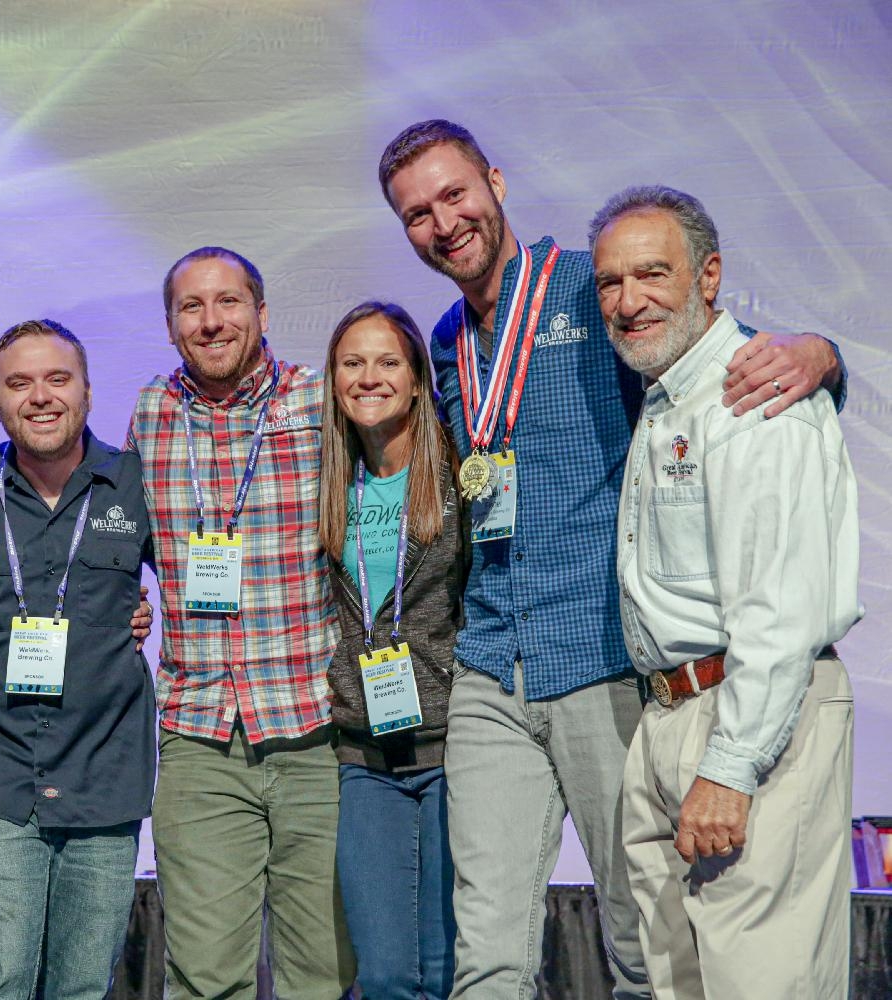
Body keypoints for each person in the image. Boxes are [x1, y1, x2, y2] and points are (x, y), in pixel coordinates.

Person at [377, 120, 846, 999]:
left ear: (497, 182)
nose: (443, 223)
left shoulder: (588, 291)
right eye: (416, 213)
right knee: (485, 946)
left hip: (598, 658)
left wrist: (822, 356)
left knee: (643, 942)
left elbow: (708, 355)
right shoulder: (444, 340)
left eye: (454, 195)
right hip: (491, 664)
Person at [589, 185, 860, 999]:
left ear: (709, 276)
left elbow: (779, 610)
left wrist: (732, 767)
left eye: (651, 275)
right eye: (609, 282)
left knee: (762, 983)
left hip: (749, 716)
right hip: (671, 713)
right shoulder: (666, 390)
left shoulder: (758, 398)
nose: (629, 301)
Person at [129, 248, 355, 999]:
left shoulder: (322, 402)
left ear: (261, 313)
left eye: (229, 302)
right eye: (191, 307)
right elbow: (111, 535)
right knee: (202, 978)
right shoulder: (150, 414)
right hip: (199, 740)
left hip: (315, 730)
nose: (212, 320)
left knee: (321, 975)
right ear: (169, 325)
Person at [0, 320, 155, 1000]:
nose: (40, 396)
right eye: (19, 382)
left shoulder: (135, 482)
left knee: (82, 988)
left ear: (88, 392)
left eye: (57, 379)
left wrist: (144, 614)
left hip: (104, 779)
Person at [319, 301, 466, 999]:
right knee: (380, 976)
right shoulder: (325, 484)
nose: (368, 377)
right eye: (353, 363)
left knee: (443, 969)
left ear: (415, 379)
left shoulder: (463, 475)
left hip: (456, 750)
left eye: (387, 362)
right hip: (364, 759)